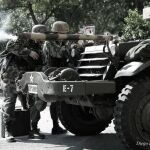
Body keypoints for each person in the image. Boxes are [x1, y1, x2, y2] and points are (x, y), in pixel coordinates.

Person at [1, 24, 47, 142]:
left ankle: (33, 127)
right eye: (41, 36)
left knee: (33, 101)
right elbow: (10, 46)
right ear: (36, 33)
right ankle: (9, 130)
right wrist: (28, 52)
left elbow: (40, 63)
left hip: (27, 76)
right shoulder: (23, 37)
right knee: (10, 101)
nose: (42, 40)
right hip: (11, 75)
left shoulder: (39, 46)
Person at [43, 21, 71, 135]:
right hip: (51, 73)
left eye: (65, 34)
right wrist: (67, 48)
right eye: (62, 33)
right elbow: (57, 54)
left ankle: (59, 124)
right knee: (54, 101)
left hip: (61, 72)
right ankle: (55, 126)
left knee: (61, 100)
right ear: (56, 32)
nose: (63, 36)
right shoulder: (48, 43)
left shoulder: (62, 42)